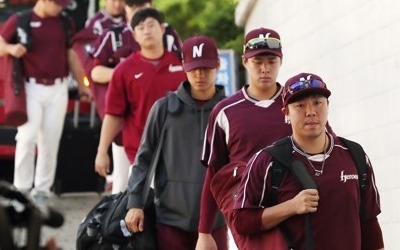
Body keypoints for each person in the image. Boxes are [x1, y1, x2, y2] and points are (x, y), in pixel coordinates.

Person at [232, 72, 384, 250]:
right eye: (300, 105)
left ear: (327, 106)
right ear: (286, 112)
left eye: (318, 103)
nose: (310, 112)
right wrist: (291, 207)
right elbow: (241, 221)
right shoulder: (267, 161)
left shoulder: (355, 155)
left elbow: (369, 221)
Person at [124, 35, 227, 250]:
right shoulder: (163, 108)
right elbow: (143, 159)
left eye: (206, 68)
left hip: (216, 221)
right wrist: (135, 203)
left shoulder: (230, 111)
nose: (199, 75)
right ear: (183, 66)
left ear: (218, 65)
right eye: (193, 68)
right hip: (170, 220)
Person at [195, 27, 293, 250]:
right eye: (258, 61)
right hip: (248, 218)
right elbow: (214, 174)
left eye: (271, 61)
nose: (265, 68)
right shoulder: (224, 112)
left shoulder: (297, 104)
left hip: (296, 211)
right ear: (245, 62)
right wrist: (204, 232)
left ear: (281, 61)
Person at [0, 0, 90, 202]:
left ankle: (42, 189)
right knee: (27, 137)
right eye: (58, 3)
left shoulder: (65, 22)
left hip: (58, 87)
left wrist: (83, 85)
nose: (61, 7)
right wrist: (11, 49)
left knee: (50, 141)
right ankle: (21, 189)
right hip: (30, 86)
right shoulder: (21, 19)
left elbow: (70, 54)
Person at [90, 0, 182, 194]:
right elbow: (96, 74)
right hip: (132, 134)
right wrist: (127, 75)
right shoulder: (116, 43)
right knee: (123, 192)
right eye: (133, 7)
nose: (147, 30)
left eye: (143, 7)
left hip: (175, 145)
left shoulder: (174, 53)